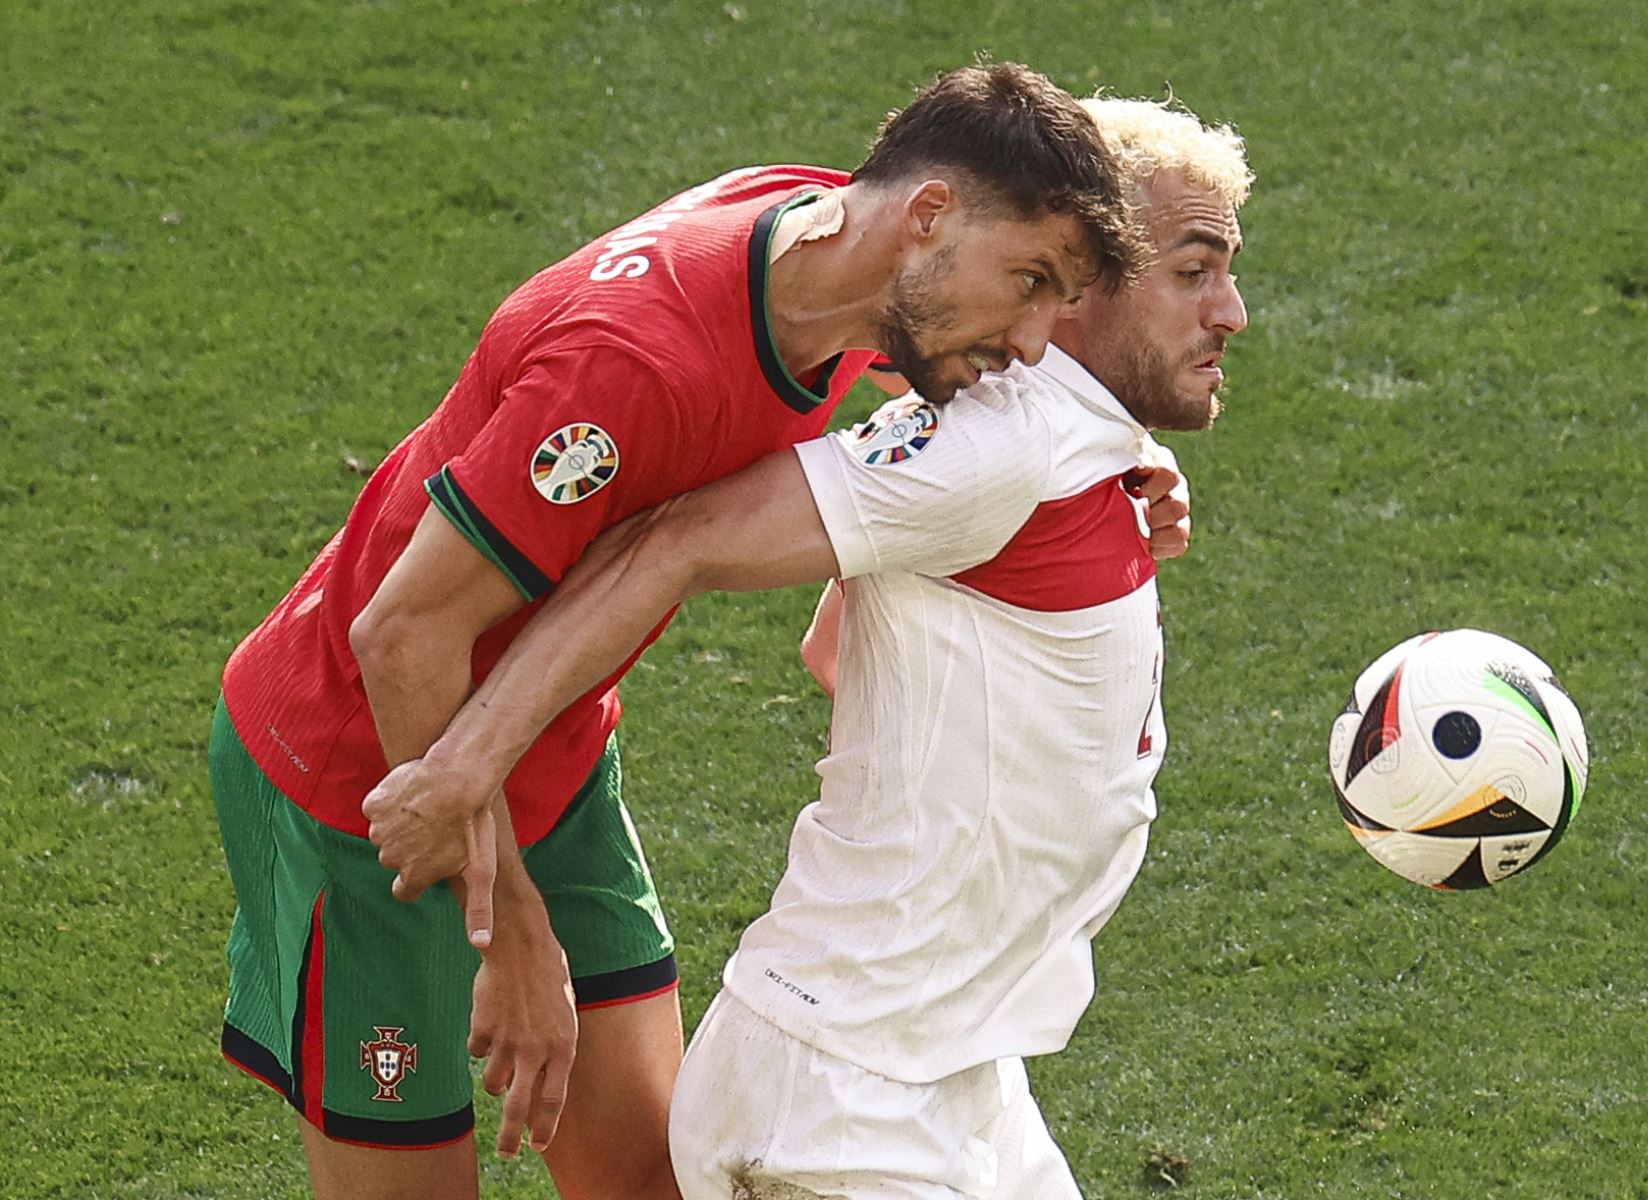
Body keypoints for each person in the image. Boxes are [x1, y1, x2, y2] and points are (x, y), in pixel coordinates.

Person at [209, 61, 1152, 1200]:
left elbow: (921, 447)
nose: (1040, 337)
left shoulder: (831, 250)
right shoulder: (629, 368)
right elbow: (400, 636)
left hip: (548, 751)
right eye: (1032, 282)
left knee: (651, 1182)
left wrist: (1121, 471)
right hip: (364, 782)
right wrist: (510, 933)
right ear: (930, 218)